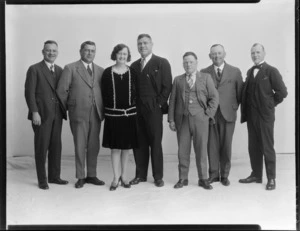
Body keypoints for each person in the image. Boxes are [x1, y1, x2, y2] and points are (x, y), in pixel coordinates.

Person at [56, 41, 105, 189]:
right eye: (87, 50)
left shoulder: (101, 70)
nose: (90, 53)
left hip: (96, 113)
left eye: (92, 51)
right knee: (79, 146)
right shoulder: (70, 68)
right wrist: (71, 108)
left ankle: (91, 175)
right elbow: (61, 91)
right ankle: (80, 176)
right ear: (80, 51)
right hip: (78, 113)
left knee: (93, 146)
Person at [239, 43, 288, 190]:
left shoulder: (271, 71)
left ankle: (271, 178)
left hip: (265, 116)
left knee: (267, 147)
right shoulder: (249, 71)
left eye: (258, 52)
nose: (255, 55)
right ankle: (256, 174)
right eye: (253, 53)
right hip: (251, 116)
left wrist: (269, 104)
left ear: (264, 53)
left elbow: (282, 92)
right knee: (253, 146)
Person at [168, 52, 219, 190]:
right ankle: (182, 178)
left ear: (196, 62)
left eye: (191, 62)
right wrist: (171, 119)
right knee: (182, 151)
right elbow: (172, 100)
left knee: (201, 149)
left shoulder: (206, 78)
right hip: (182, 120)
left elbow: (215, 97)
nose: (188, 65)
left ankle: (203, 179)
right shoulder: (178, 80)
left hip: (200, 120)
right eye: (185, 62)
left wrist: (208, 114)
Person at [129, 34, 172, 187]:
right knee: (139, 143)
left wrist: (159, 104)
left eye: (145, 43)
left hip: (154, 109)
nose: (142, 46)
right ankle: (140, 175)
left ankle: (158, 176)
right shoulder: (133, 65)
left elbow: (167, 86)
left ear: (152, 44)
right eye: (139, 43)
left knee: (155, 142)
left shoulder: (161, 62)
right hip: (137, 110)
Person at [25, 40, 68, 190]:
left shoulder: (60, 70)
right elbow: (29, 93)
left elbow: (63, 92)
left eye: (54, 51)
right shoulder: (34, 69)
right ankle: (42, 180)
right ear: (43, 52)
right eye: (48, 50)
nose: (51, 53)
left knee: (56, 147)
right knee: (41, 148)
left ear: (58, 52)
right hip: (41, 115)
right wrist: (34, 112)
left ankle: (54, 177)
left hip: (57, 115)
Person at [201, 44, 243, 186]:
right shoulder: (204, 72)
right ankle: (213, 174)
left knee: (226, 145)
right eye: (213, 54)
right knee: (211, 145)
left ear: (225, 54)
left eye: (219, 53)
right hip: (211, 114)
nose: (217, 56)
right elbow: (202, 94)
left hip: (228, 114)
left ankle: (224, 175)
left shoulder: (235, 71)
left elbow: (239, 93)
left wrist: (233, 107)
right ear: (209, 56)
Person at [101, 44, 138, 191]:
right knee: (115, 148)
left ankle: (124, 176)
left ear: (128, 56)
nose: (122, 56)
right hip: (113, 116)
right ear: (114, 55)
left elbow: (138, 94)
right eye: (119, 53)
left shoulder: (133, 73)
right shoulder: (106, 73)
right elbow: (103, 95)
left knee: (126, 148)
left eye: (125, 54)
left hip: (129, 116)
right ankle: (115, 177)